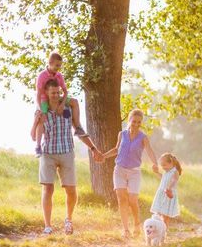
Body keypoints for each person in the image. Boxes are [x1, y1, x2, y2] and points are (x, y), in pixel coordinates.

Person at [39, 79, 103, 235]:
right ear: (47, 93)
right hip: (48, 153)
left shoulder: (68, 108)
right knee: (48, 188)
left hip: (67, 152)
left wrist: (93, 148)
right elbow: (34, 134)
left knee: (71, 190)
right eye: (52, 92)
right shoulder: (43, 110)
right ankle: (48, 225)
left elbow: (79, 129)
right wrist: (36, 122)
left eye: (58, 92)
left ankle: (68, 219)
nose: (55, 95)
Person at [102, 109, 159, 238]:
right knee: (122, 198)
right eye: (134, 121)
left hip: (134, 172)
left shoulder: (143, 137)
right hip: (119, 170)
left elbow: (149, 150)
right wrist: (104, 156)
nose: (136, 124)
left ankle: (137, 224)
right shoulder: (122, 134)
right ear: (129, 120)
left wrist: (155, 163)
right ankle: (126, 230)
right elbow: (116, 149)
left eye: (139, 122)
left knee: (132, 199)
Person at [31, 52, 88, 157]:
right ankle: (38, 146)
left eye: (60, 66)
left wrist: (62, 104)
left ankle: (78, 128)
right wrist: (41, 110)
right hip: (44, 100)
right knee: (41, 118)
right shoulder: (42, 76)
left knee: (74, 102)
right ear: (50, 63)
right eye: (57, 65)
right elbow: (38, 95)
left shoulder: (59, 75)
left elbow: (65, 92)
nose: (58, 68)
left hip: (57, 97)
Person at [150, 152, 182, 226]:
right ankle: (159, 228)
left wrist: (169, 188)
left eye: (164, 165)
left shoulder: (175, 171)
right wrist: (157, 172)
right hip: (161, 193)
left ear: (171, 163)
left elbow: (174, 180)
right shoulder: (166, 172)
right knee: (158, 213)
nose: (163, 167)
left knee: (166, 215)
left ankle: (164, 230)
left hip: (168, 194)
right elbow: (163, 178)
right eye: (161, 165)